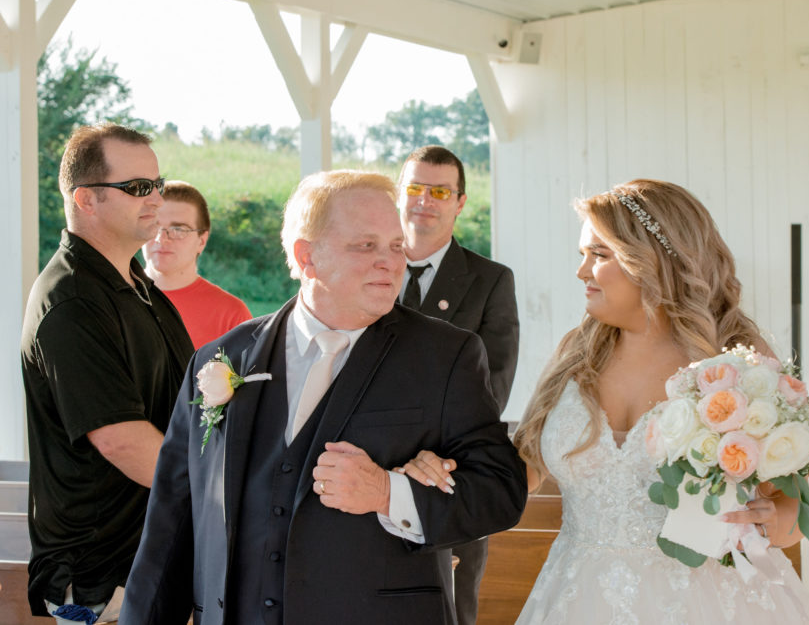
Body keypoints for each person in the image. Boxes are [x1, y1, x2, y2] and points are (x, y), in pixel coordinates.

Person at [402, 180, 809, 623]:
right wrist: (442, 470)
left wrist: (775, 520)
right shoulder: (576, 355)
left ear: (655, 261)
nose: (582, 272)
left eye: (599, 256)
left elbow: (795, 507)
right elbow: (519, 472)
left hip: (711, 601)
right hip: (579, 596)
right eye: (583, 255)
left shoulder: (735, 361)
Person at [120, 170, 528, 625]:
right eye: (365, 245)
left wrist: (388, 493)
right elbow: (172, 523)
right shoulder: (219, 358)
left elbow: (501, 491)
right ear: (306, 255)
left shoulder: (445, 355)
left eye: (395, 246)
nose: (390, 262)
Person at [20, 123, 194, 622]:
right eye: (138, 188)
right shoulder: (71, 299)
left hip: (153, 563)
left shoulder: (140, 286)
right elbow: (120, 439)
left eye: (158, 184)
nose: (156, 198)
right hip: (106, 583)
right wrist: (224, 495)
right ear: (86, 200)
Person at [397, 145, 519, 624]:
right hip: (373, 468)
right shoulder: (370, 270)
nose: (425, 200)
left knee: (451, 609)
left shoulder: (490, 280)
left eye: (440, 191)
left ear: (460, 202)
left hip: (453, 472)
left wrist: (427, 457)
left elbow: (493, 385)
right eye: (414, 188)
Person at [142, 180, 251, 349]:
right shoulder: (113, 300)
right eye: (155, 226)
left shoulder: (231, 315)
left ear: (202, 241)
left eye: (178, 230)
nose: (161, 239)